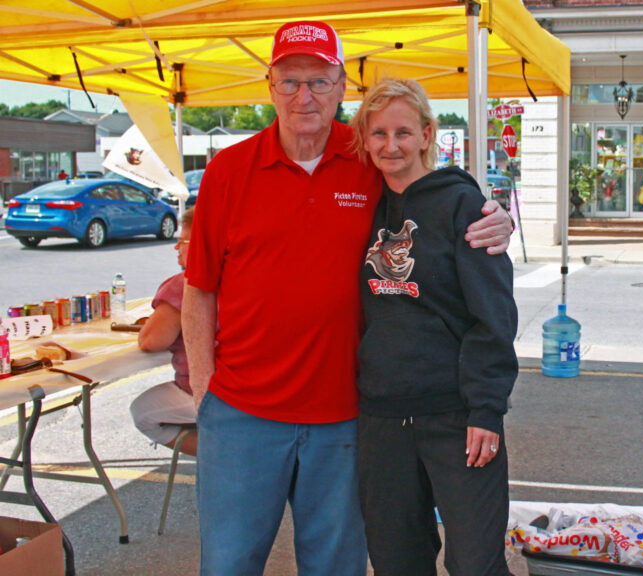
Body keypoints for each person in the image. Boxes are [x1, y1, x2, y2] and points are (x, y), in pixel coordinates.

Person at [182, 20, 513, 575]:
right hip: (241, 413)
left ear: (341, 87)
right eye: (290, 81)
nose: (304, 96)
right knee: (228, 564)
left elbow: (432, 189)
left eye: (319, 80)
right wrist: (203, 390)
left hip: (345, 415)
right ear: (270, 86)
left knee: (334, 567)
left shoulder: (367, 158)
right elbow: (199, 289)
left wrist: (489, 215)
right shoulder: (227, 171)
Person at [350, 78, 517, 575]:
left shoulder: (463, 207)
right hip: (381, 417)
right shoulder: (361, 205)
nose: (390, 145)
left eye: (403, 132)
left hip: (456, 417)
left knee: (475, 564)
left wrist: (487, 409)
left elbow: (493, 315)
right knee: (397, 562)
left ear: (427, 135)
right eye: (378, 133)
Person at [131, 208, 197, 456]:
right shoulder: (245, 276)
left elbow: (151, 341)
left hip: (209, 392)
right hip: (258, 389)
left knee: (143, 412)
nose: (176, 247)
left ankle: (228, 456)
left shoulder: (183, 285)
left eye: (183, 241)